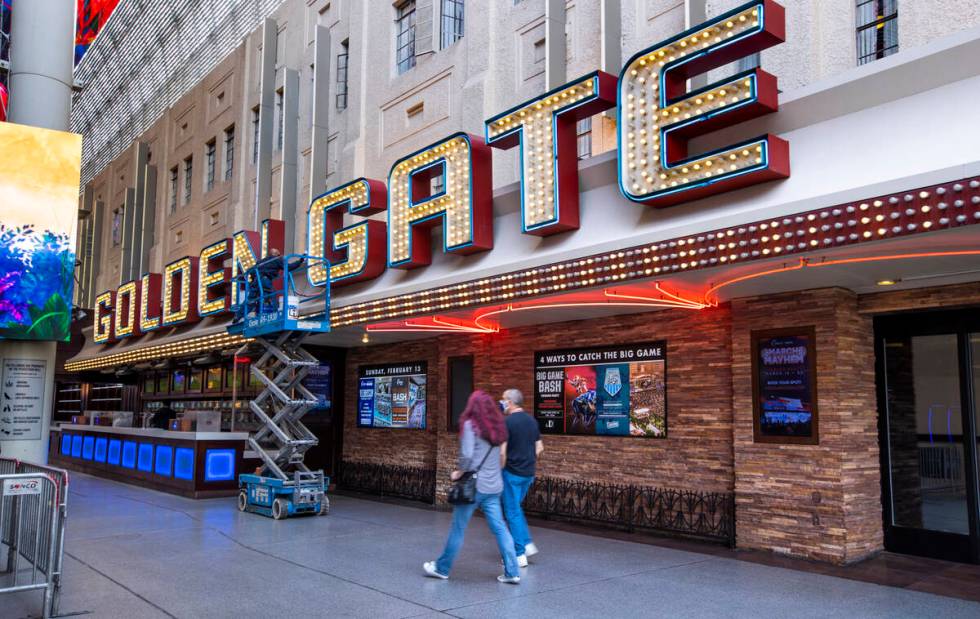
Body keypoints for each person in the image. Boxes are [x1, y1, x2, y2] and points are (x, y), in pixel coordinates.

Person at [424, 391, 521, 584]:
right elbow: (501, 455)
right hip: (494, 486)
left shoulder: (471, 426)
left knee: (458, 528)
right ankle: (512, 572)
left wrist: (458, 473)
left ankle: (442, 568)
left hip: (475, 486)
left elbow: (467, 456)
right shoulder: (498, 427)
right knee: (500, 528)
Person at [499, 388, 543, 568]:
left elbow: (502, 451)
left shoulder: (507, 422)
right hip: (528, 473)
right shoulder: (532, 421)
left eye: (502, 400)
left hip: (511, 474)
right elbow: (539, 448)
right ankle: (526, 542)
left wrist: (501, 469)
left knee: (511, 512)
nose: (501, 402)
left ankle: (519, 555)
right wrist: (527, 461)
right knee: (515, 509)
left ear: (509, 402)